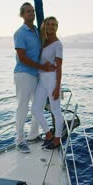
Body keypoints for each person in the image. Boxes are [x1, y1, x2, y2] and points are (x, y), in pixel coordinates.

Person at [13, 2, 55, 153]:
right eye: (28, 12)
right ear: (22, 15)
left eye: (32, 11)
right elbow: (22, 58)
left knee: (37, 106)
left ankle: (33, 135)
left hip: (36, 74)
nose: (31, 14)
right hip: (24, 74)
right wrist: (42, 67)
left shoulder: (37, 31)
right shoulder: (20, 33)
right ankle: (19, 141)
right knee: (23, 107)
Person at [31, 16, 64, 151]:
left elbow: (60, 67)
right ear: (45, 26)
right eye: (49, 24)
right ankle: (48, 134)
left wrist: (57, 87)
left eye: (54, 25)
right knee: (35, 109)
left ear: (57, 27)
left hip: (52, 79)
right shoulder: (44, 42)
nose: (51, 27)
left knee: (56, 111)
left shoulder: (58, 44)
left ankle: (57, 140)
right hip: (42, 79)